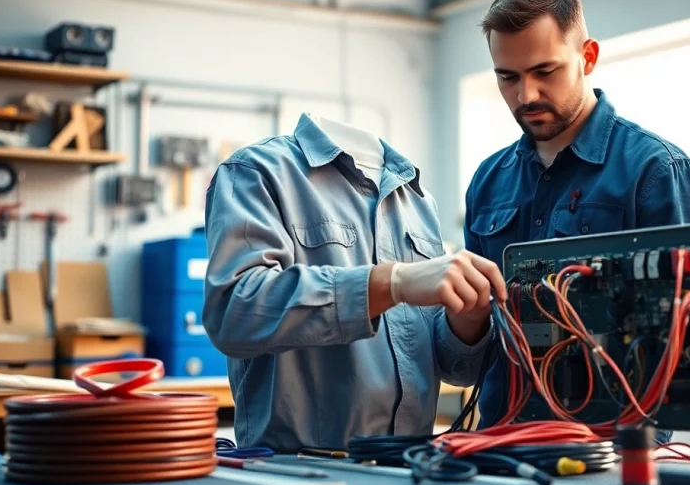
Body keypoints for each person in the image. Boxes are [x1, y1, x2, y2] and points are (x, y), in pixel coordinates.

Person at [462, 0, 690, 443]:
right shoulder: (488, 181)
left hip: (612, 450)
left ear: (588, 57)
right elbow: (478, 333)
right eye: (508, 77)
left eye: (545, 71)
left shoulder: (656, 171)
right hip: (501, 445)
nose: (526, 95)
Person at [203, 113, 507, 452]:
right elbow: (234, 312)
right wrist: (389, 283)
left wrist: (467, 322)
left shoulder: (419, 202)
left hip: (410, 467)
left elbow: (455, 370)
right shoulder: (258, 171)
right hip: (298, 471)